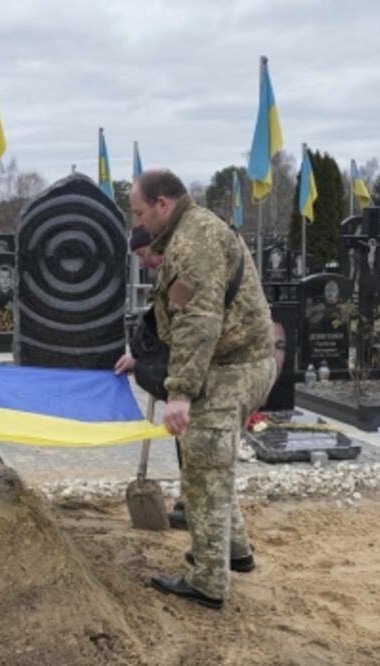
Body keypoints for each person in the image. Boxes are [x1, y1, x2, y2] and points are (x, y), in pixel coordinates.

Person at [131, 169, 275, 610]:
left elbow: (199, 321)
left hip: (235, 365)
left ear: (163, 204)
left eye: (139, 211)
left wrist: (179, 393)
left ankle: (208, 579)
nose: (138, 220)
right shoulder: (184, 236)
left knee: (204, 465)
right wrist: (142, 359)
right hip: (230, 361)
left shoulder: (194, 243)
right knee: (211, 462)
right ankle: (235, 551)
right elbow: (172, 312)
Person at [115, 226, 189, 529]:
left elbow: (183, 332)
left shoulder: (184, 274)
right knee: (186, 442)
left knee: (197, 448)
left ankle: (194, 507)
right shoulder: (164, 278)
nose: (143, 262)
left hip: (199, 372)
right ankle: (189, 502)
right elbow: (157, 326)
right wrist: (138, 355)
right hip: (183, 372)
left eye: (145, 254)